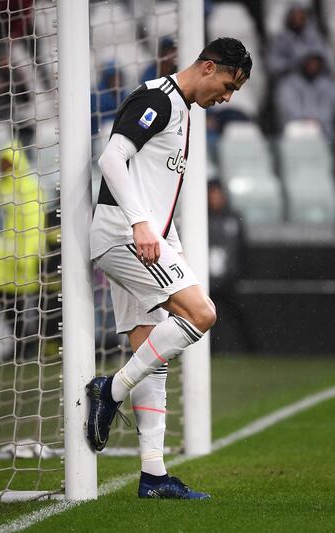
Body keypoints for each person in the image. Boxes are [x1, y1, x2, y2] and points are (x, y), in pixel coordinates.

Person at [86, 37, 251, 500]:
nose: (227, 96)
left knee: (152, 358)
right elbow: (111, 159)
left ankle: (153, 476)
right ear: (208, 66)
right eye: (228, 84)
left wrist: (164, 236)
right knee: (202, 315)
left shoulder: (183, 111)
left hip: (149, 239)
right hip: (127, 236)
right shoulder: (156, 99)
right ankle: (110, 390)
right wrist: (141, 224)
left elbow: (155, 188)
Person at [0, 142, 44, 360]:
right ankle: (20, 342)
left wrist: (28, 254)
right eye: (2, 161)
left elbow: (33, 222)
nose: (3, 165)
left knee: (23, 306)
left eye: (7, 160)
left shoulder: (27, 187)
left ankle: (30, 344)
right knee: (5, 305)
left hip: (19, 258)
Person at [206, 179, 254, 352]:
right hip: (205, 281)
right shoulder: (200, 219)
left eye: (218, 194)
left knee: (239, 315)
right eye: (212, 194)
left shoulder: (233, 218)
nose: (215, 198)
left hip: (228, 280)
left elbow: (242, 247)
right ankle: (210, 353)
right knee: (204, 317)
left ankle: (251, 351)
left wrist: (240, 273)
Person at [274, 46, 335, 139]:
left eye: (316, 62)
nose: (312, 65)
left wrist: (316, 120)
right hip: (298, 127)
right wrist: (306, 119)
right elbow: (288, 108)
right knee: (296, 130)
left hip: (324, 130)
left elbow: (330, 109)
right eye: (310, 62)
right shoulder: (288, 84)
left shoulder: (329, 85)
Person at [265, 2, 324, 82]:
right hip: (290, 79)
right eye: (294, 16)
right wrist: (290, 67)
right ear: (289, 18)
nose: (297, 20)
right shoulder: (281, 39)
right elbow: (272, 63)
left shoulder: (314, 37)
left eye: (300, 16)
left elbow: (324, 57)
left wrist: (314, 65)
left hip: (316, 79)